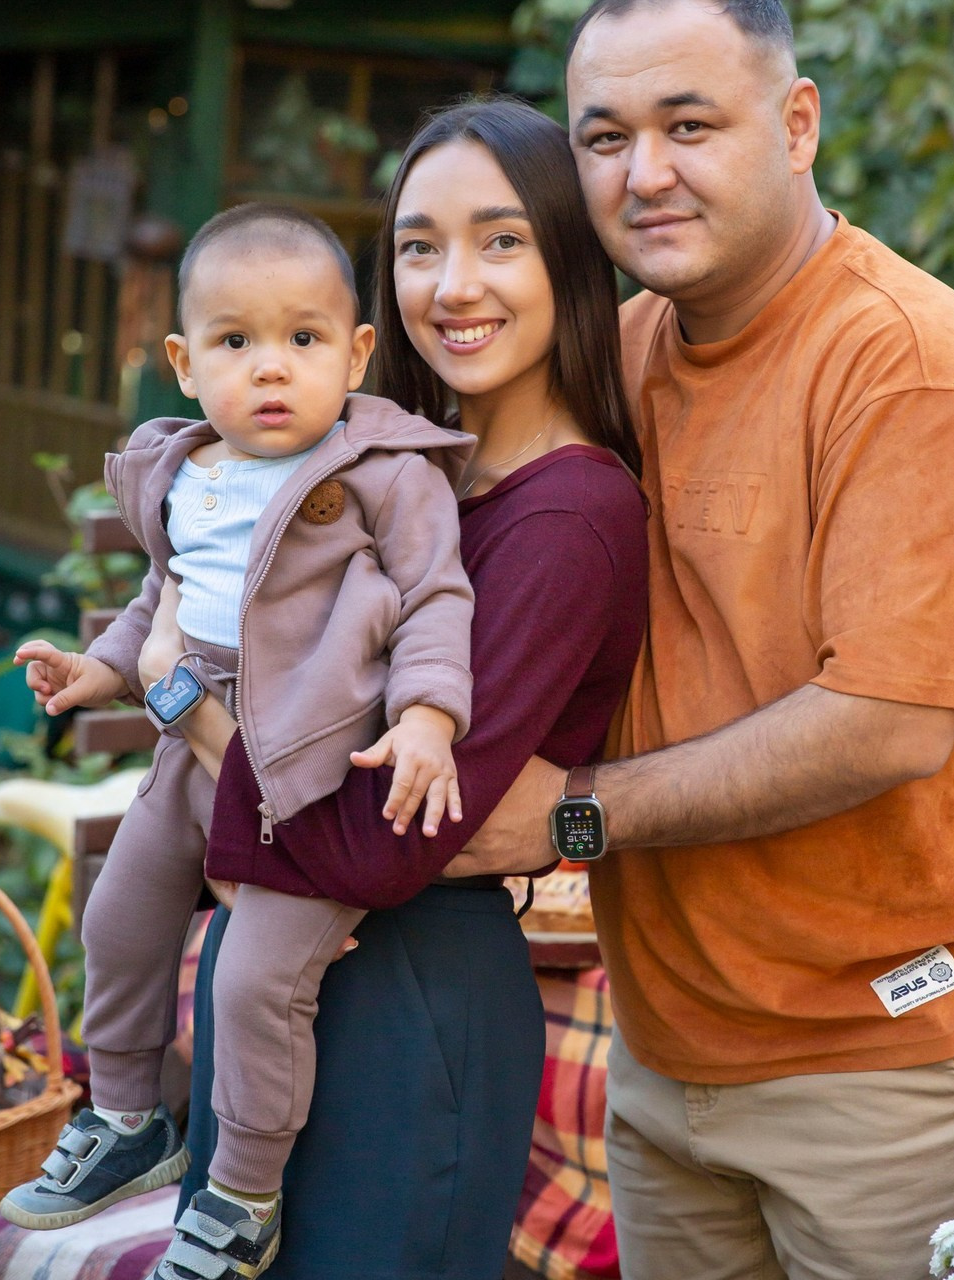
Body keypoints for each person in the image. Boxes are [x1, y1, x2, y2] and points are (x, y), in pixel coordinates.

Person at [454, 2, 954, 1278]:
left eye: (689, 126)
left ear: (796, 125)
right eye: (604, 137)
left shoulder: (905, 365)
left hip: (878, 1055)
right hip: (666, 1039)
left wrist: (568, 813)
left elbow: (886, 723)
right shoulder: (611, 356)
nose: (644, 173)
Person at [149, 99, 649, 1280]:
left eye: (501, 240)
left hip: (403, 1002)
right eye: (418, 246)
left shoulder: (569, 512)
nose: (451, 284)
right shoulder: (396, 473)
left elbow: (385, 849)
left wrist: (180, 698)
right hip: (283, 979)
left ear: (568, 260)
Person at [0, 203, 483, 1278]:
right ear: (182, 362)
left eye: (303, 339)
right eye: (235, 342)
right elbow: (163, 596)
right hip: (190, 744)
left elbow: (435, 601)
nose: (272, 368)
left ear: (356, 353)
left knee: (251, 977)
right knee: (120, 911)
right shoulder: (188, 470)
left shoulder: (382, 474)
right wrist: (102, 668)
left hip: (307, 767)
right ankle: (126, 1117)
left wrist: (425, 714)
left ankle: (243, 1191)